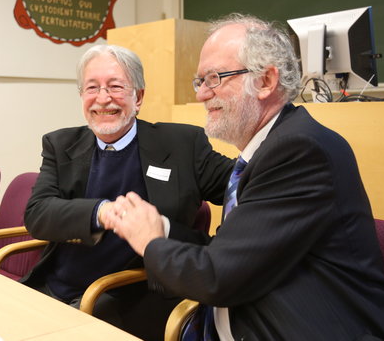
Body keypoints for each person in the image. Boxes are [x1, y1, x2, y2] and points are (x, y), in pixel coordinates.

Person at [104, 14, 384, 340]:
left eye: (214, 78)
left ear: (266, 81)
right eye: (200, 81)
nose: (201, 94)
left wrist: (148, 240)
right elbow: (231, 253)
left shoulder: (300, 150)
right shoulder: (264, 150)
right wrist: (161, 228)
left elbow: (216, 277)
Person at [22, 44, 233, 341]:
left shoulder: (182, 145)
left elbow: (243, 185)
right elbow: (37, 214)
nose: (103, 99)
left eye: (116, 87)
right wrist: (103, 212)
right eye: (92, 88)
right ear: (82, 96)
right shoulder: (60, 145)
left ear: (139, 97)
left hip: (129, 298)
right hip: (54, 290)